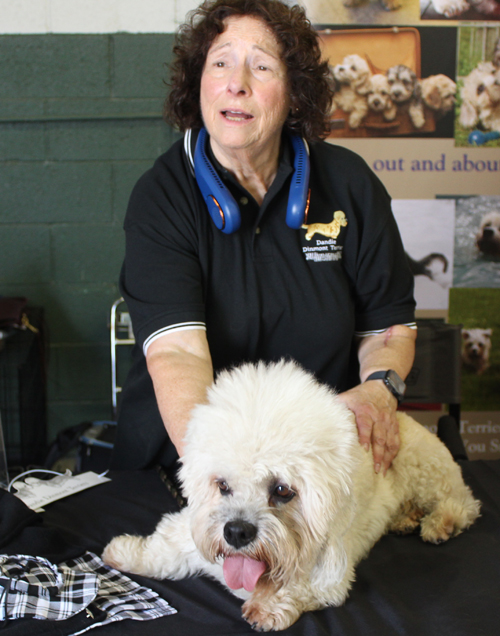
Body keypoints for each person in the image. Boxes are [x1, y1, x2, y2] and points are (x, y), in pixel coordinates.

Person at [111, 0, 417, 478]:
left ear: (294, 92)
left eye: (261, 65)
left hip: (311, 466)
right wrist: (225, 484)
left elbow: (388, 329)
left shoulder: (350, 183)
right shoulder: (161, 195)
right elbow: (178, 354)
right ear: (199, 85)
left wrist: (379, 389)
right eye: (220, 62)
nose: (237, 82)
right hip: (187, 465)